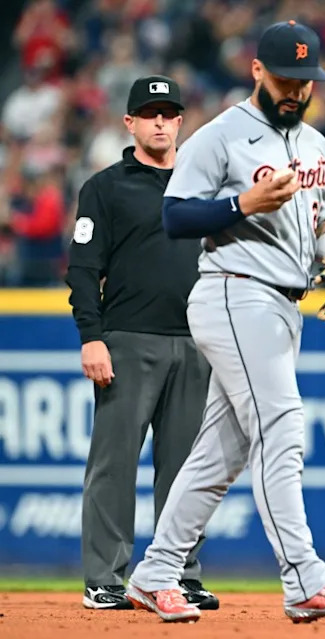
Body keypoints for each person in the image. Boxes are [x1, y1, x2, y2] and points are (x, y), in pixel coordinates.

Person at [124, 21, 325, 624]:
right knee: (283, 426)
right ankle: (304, 579)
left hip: (284, 305)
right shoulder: (221, 137)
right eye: (286, 78)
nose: (296, 90)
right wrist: (243, 204)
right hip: (235, 292)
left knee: (221, 453)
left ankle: (156, 571)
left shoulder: (317, 145)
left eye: (306, 80)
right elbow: (176, 217)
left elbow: (323, 226)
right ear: (257, 71)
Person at [66, 75, 218, 611]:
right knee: (114, 464)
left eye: (169, 113)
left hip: (196, 342)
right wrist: (92, 337)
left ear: (180, 122)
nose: (160, 121)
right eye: (149, 112)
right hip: (128, 340)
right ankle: (104, 576)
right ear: (129, 122)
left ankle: (178, 573)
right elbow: (83, 269)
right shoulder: (105, 187)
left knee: (188, 469)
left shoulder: (203, 188)